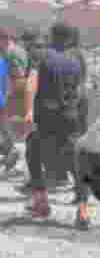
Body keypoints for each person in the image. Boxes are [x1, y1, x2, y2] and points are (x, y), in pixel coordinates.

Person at [21, 22, 91, 227]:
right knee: (76, 165)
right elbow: (80, 92)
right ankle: (83, 211)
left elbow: (32, 81)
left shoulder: (42, 57)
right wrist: (70, 109)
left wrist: (29, 111)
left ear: (51, 36)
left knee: (33, 151)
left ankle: (41, 203)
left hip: (47, 118)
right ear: (69, 39)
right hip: (70, 118)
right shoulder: (76, 62)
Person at [0, 12, 29, 171]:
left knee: (15, 131)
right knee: (10, 130)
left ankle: (17, 158)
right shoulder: (10, 52)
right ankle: (12, 156)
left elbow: (19, 76)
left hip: (15, 98)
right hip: (11, 97)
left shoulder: (13, 53)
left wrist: (9, 97)